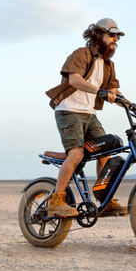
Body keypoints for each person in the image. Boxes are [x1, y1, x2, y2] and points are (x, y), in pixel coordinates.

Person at [45, 18, 129, 218]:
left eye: (118, 36)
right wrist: (99, 91)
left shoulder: (108, 64)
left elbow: (113, 92)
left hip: (89, 113)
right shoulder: (81, 54)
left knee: (105, 152)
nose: (115, 39)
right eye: (112, 35)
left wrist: (130, 104)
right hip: (69, 110)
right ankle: (56, 200)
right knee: (76, 153)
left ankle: (105, 199)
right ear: (98, 35)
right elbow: (74, 79)